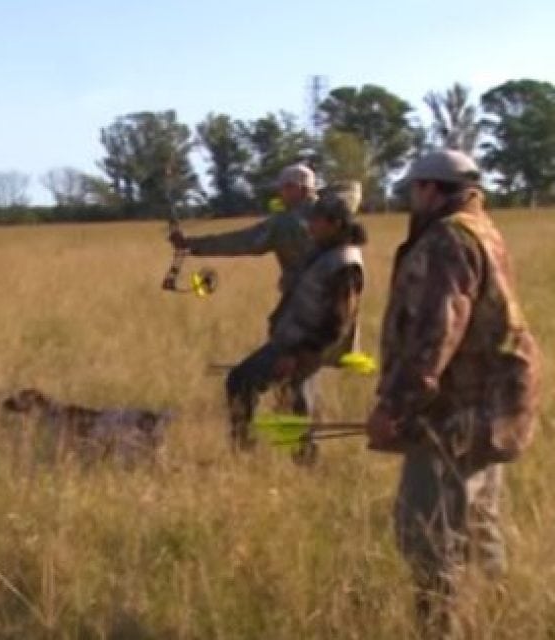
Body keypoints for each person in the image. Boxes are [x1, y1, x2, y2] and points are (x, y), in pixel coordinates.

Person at [365, 149, 541, 637]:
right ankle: (499, 620)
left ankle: (441, 629)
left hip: (457, 412)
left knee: (428, 534)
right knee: (481, 529)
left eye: (413, 189)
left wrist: (393, 406)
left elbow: (434, 334)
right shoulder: (482, 228)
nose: (410, 199)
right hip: (493, 405)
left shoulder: (447, 239)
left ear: (431, 189)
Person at [223, 181, 366, 449]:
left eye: (316, 221)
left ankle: (243, 450)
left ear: (335, 224)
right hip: (294, 342)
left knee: (241, 381)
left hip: (301, 346)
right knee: (296, 404)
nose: (310, 226)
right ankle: (304, 460)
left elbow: (338, 321)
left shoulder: (344, 263)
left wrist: (298, 355)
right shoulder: (326, 252)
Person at [171, 163, 320, 415]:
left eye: (285, 188)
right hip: (324, 322)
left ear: (300, 190)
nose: (281, 194)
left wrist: (192, 245)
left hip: (299, 319)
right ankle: (303, 448)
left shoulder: (287, 223)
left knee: (241, 382)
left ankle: (243, 450)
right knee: (297, 383)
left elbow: (244, 241)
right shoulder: (332, 216)